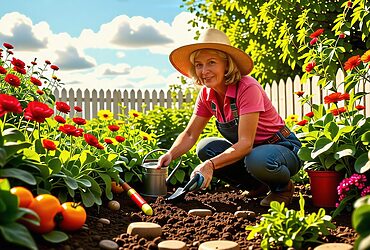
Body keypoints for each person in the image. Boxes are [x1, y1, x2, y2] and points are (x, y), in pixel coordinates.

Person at [157, 28, 302, 206]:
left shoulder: (247, 88)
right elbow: (190, 135)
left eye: (211, 62)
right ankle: (257, 186)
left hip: (282, 148)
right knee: (206, 148)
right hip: (251, 152)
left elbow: (245, 143)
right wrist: (170, 154)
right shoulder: (206, 95)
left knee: (256, 158)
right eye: (199, 65)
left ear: (227, 64)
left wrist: (210, 165)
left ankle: (283, 188)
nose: (204, 71)